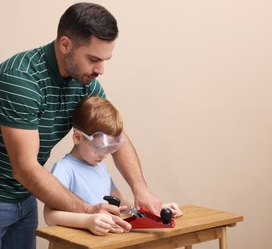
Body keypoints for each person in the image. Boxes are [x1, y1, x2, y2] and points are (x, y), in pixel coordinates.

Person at [0, 2, 161, 249]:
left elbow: (115, 135)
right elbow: (26, 168)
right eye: (93, 59)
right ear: (65, 45)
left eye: (105, 60)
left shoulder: (85, 82)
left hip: (25, 193)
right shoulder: (20, 79)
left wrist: (141, 190)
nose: (100, 70)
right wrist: (87, 211)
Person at [44, 96, 182, 235]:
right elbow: (49, 216)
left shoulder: (99, 166)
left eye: (109, 149)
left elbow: (120, 203)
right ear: (78, 138)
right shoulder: (64, 169)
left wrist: (155, 210)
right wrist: (87, 221)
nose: (105, 155)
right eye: (100, 148)